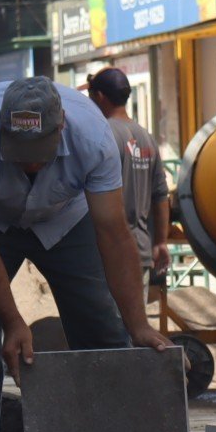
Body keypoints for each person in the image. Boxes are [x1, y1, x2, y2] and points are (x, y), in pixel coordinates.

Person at [0, 75, 172, 432]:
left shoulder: (94, 137)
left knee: (100, 321)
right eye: (20, 152)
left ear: (61, 126)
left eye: (40, 153)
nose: (31, 163)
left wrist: (137, 324)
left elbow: (114, 233)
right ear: (1, 128)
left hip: (68, 218)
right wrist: (13, 321)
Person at [84, 67, 170, 292]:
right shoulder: (146, 137)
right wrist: (160, 242)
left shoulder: (103, 134)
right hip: (139, 251)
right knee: (136, 323)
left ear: (100, 97)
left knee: (109, 325)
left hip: (106, 252)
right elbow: (161, 195)